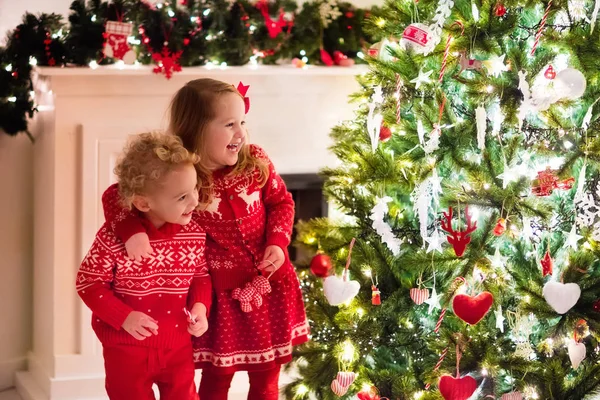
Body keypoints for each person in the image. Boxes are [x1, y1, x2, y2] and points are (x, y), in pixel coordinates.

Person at [101, 78, 310, 400]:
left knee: (267, 379)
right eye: (229, 124)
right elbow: (117, 195)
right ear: (196, 129)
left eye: (243, 122)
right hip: (219, 296)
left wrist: (278, 242)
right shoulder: (180, 175)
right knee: (217, 379)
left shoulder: (255, 162)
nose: (240, 133)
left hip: (269, 284)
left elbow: (281, 202)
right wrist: (133, 232)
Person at [76, 132, 211, 400]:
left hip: (178, 346)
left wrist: (201, 307)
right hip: (126, 350)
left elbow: (200, 276)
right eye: (182, 197)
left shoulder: (194, 233)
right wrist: (123, 316)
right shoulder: (112, 237)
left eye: (194, 189)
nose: (195, 201)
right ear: (143, 202)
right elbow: (88, 283)